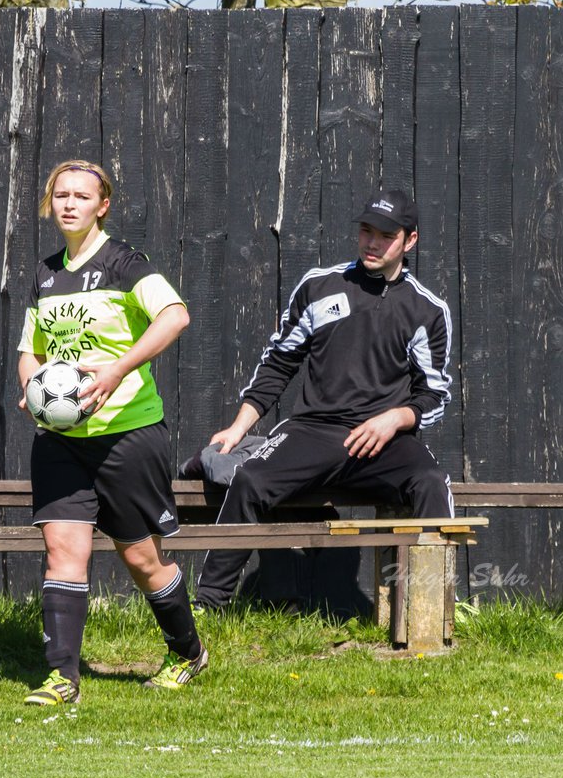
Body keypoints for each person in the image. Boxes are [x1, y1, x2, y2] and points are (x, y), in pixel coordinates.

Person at [193, 189, 454, 610]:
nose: (372, 242)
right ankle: (207, 607)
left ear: (410, 241)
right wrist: (238, 428)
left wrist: (395, 419)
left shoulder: (427, 310)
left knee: (431, 482)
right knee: (248, 481)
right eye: (366, 231)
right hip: (313, 431)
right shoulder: (320, 285)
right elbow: (278, 364)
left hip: (382, 442)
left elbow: (435, 395)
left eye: (385, 235)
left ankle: (429, 613)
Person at [16, 160, 206, 705]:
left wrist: (118, 368)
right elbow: (32, 351)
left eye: (82, 196)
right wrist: (35, 390)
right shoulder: (45, 274)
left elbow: (175, 316)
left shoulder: (126, 264)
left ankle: (187, 651)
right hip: (61, 442)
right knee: (62, 550)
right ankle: (61, 678)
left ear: (103, 206)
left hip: (127, 434)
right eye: (61, 195)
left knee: (141, 559)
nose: (69, 204)